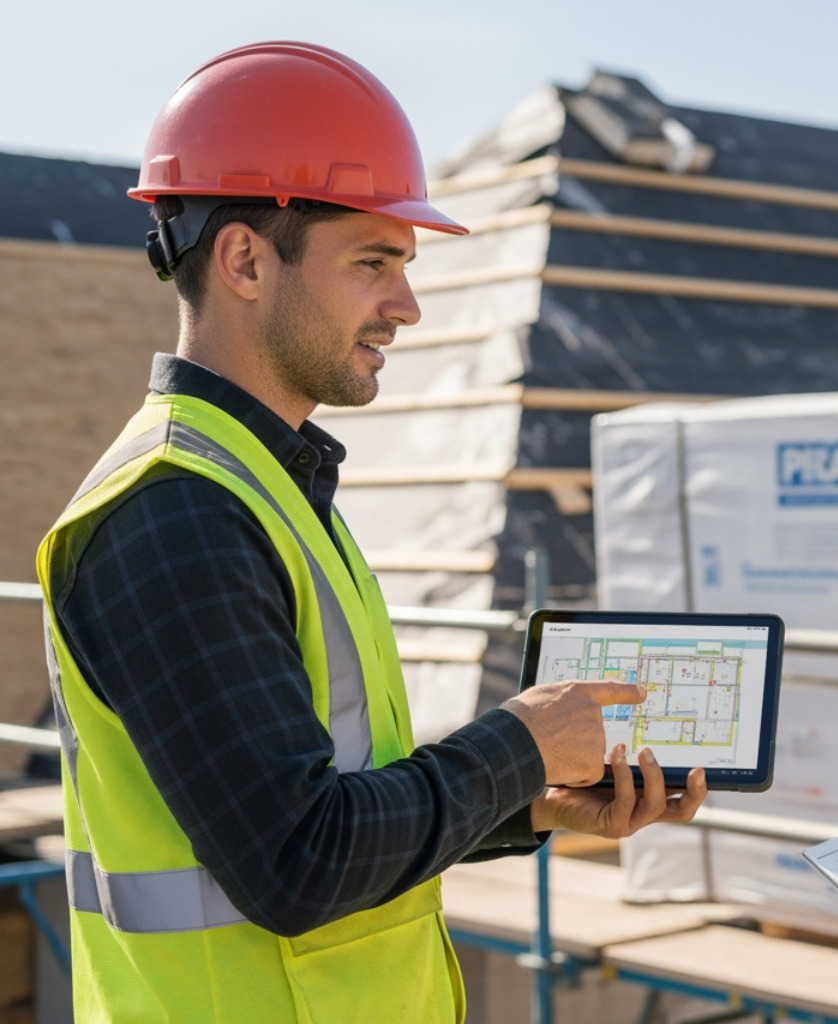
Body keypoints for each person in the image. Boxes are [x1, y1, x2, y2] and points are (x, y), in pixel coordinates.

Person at [36, 41, 703, 1024]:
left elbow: (326, 801)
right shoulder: (173, 514)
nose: (408, 305)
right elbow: (295, 861)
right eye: (373, 261)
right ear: (246, 258)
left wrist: (528, 803)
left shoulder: (271, 487)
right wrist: (517, 744)